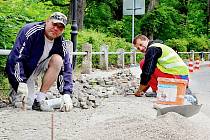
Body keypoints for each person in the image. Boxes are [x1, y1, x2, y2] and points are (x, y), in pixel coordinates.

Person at [5, 12, 73, 112]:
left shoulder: (60, 42)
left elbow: (66, 67)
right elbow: (15, 58)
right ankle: (14, 92)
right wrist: (20, 82)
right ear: (47, 21)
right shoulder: (31, 31)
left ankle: (40, 99)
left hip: (37, 69)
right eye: (54, 24)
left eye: (60, 27)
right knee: (25, 105)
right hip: (24, 71)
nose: (56, 29)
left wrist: (66, 93)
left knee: (58, 60)